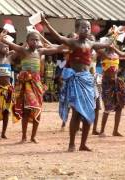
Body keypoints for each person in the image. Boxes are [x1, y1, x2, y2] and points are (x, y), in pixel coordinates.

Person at [42, 17, 112, 151]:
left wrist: (115, 33)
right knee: (77, 113)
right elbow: (59, 37)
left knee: (89, 112)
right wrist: (47, 25)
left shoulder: (91, 43)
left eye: (88, 27)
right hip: (76, 81)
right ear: (77, 30)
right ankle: (72, 144)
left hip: (87, 80)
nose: (86, 29)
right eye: (83, 27)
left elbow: (106, 44)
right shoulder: (72, 43)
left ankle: (83, 144)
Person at [0, 30, 64, 144]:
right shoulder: (23, 51)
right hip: (26, 84)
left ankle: (33, 136)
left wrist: (65, 41)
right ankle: (24, 137)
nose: (35, 41)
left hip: (37, 84)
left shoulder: (41, 51)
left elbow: (58, 49)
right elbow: (10, 44)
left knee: (38, 109)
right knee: (26, 110)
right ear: (27, 42)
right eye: (32, 39)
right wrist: (1, 36)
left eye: (37, 39)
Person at [96, 46, 125, 137]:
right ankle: (102, 131)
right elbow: (96, 48)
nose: (112, 44)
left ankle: (115, 131)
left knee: (119, 106)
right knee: (107, 107)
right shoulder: (103, 54)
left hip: (116, 82)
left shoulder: (117, 54)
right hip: (106, 82)